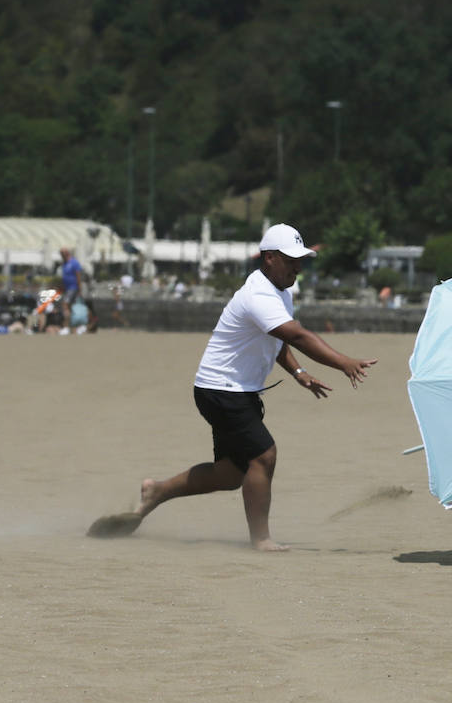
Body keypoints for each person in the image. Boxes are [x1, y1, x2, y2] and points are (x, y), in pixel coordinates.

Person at [130, 224, 377, 551]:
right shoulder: (258, 294)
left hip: (231, 390)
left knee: (232, 474)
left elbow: (278, 339)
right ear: (271, 258)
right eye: (292, 260)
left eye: (301, 260)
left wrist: (298, 371)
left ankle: (158, 491)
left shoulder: (282, 292)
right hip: (222, 390)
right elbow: (298, 336)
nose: (298, 267)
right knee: (264, 455)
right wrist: (343, 362)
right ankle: (261, 539)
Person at [57, 247, 89, 331]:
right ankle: (74, 327)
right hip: (67, 288)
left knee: (65, 305)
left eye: (62, 253)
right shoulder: (64, 264)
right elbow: (64, 277)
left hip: (73, 288)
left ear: (67, 253)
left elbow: (78, 276)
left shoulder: (74, 263)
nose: (61, 255)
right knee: (71, 307)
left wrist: (79, 289)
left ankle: (66, 326)